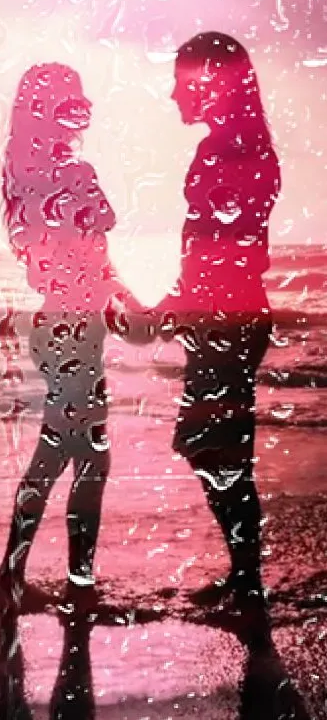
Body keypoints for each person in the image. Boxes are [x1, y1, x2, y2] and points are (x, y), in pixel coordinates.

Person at [0, 63, 154, 610]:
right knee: (79, 457)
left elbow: (79, 261)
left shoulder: (21, 174)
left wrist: (123, 302)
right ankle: (63, 584)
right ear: (55, 110)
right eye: (73, 98)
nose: (84, 106)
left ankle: (26, 579)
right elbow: (95, 249)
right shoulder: (71, 174)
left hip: (61, 324)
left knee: (69, 454)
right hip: (74, 329)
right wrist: (130, 305)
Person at [157, 32, 281, 643]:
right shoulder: (235, 144)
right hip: (224, 318)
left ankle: (249, 583)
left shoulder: (231, 147)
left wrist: (181, 302)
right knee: (217, 448)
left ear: (213, 82)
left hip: (228, 321)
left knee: (213, 447)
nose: (175, 91)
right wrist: (180, 303)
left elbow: (224, 247)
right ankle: (245, 577)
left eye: (184, 79)